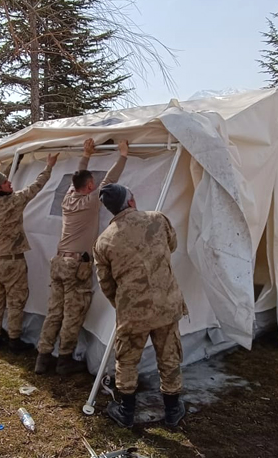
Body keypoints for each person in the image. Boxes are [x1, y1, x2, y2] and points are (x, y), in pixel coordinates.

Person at [94, 183, 187, 428]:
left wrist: (124, 305)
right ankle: (173, 410)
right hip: (167, 305)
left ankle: (126, 411)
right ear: (131, 201)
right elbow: (172, 245)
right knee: (169, 356)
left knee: (126, 360)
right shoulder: (157, 219)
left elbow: (106, 283)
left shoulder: (104, 241)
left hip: (132, 312)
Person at [35, 138, 128, 376]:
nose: (95, 185)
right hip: (76, 265)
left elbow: (78, 175)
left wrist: (86, 154)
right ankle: (64, 359)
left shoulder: (68, 198)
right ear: (89, 187)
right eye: (93, 184)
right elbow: (110, 181)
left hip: (58, 262)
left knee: (54, 311)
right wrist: (123, 155)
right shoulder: (90, 202)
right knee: (72, 314)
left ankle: (43, 357)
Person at [0, 153, 58, 351]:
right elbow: (36, 187)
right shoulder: (13, 202)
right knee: (15, 301)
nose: (10, 183)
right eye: (5, 183)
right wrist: (49, 166)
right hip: (12, 261)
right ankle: (14, 339)